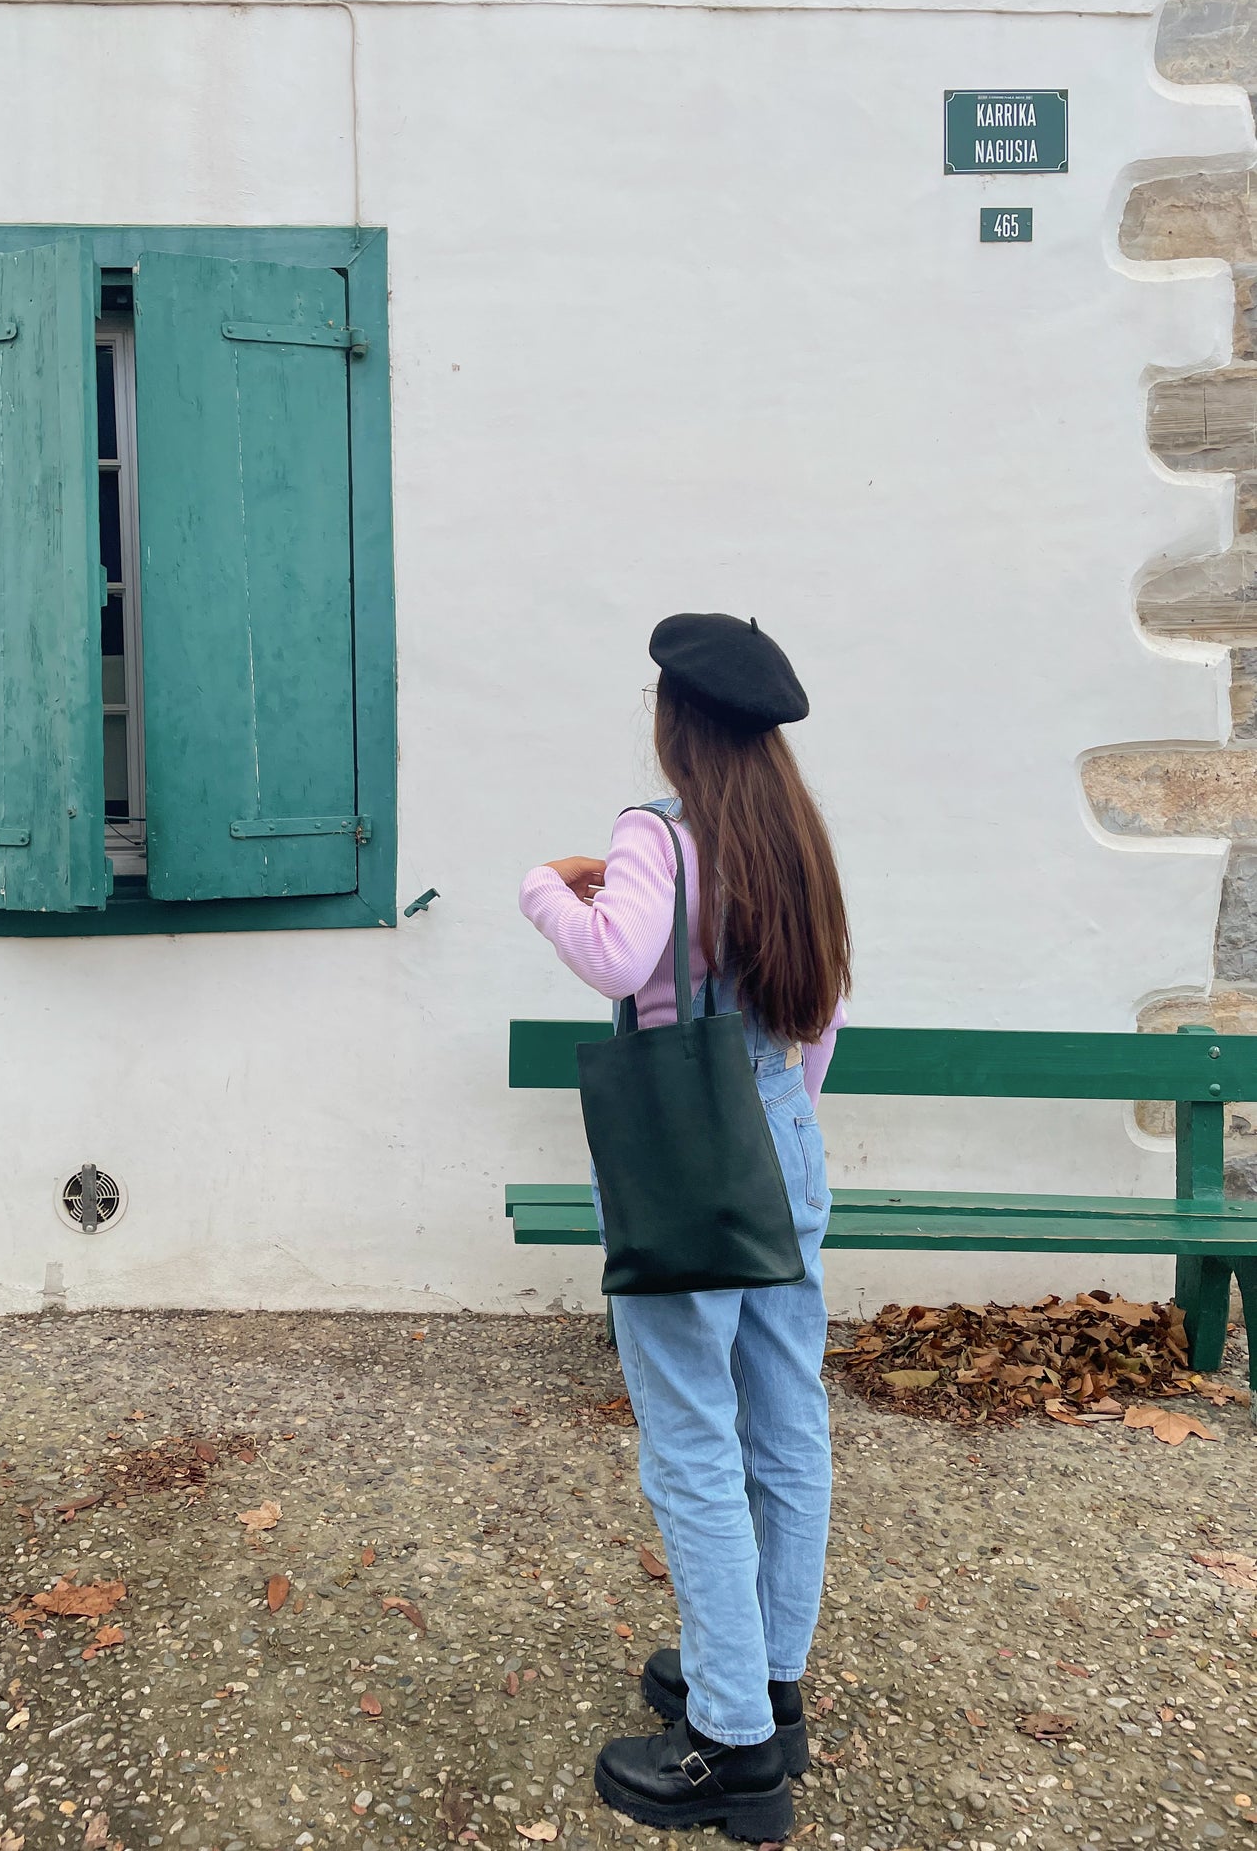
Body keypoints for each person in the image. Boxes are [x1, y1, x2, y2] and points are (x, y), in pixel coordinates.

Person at [518, 612, 850, 1843]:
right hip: (782, 1141)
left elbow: (617, 960)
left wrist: (540, 888)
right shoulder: (793, 840)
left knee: (691, 1439)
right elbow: (820, 1012)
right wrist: (777, 1128)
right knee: (783, 1414)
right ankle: (768, 1680)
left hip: (683, 1151)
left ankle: (728, 1743)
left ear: (673, 721)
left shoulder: (651, 829)